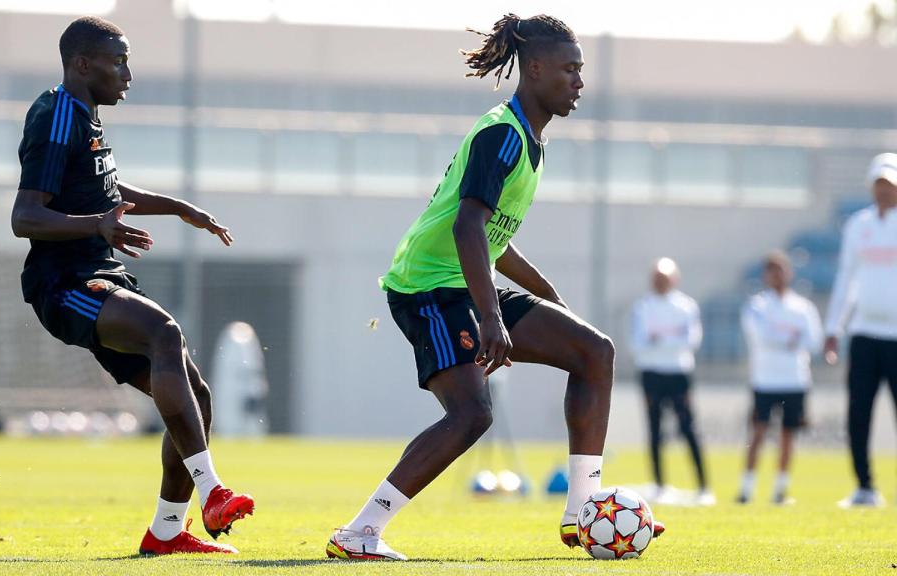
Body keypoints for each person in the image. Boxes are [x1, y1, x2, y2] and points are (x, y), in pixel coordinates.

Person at [325, 13, 662, 561]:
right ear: (533, 69)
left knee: (593, 351)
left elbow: (493, 241)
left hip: (465, 283)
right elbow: (466, 227)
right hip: (427, 289)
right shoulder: (503, 135)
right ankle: (360, 532)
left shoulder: (530, 141)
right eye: (569, 69)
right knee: (472, 414)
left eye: (581, 70)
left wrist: (546, 295)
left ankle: (581, 513)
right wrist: (491, 319)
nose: (579, 81)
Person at [10, 16, 254, 555]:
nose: (128, 73)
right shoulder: (55, 116)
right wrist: (96, 226)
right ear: (82, 64)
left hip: (99, 273)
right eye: (118, 61)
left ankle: (166, 532)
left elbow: (103, 186)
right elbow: (25, 217)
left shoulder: (83, 116)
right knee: (164, 332)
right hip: (62, 282)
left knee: (198, 398)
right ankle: (213, 491)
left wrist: (178, 208)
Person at [824, 152, 897, 508]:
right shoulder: (858, 225)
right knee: (858, 413)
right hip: (864, 334)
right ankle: (865, 486)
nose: (885, 191)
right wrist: (833, 327)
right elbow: (845, 279)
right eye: (880, 184)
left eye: (891, 185)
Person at [737, 251, 823, 505]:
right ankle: (746, 489)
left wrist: (784, 340)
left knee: (788, 435)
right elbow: (760, 337)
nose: (776, 275)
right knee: (758, 433)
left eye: (780, 269)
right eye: (771, 270)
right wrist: (791, 340)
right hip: (765, 380)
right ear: (765, 275)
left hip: (795, 380)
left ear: (789, 273)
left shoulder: (802, 307)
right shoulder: (757, 305)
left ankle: (780, 490)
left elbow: (814, 341)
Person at [629, 258, 712, 505]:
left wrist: (659, 340)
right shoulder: (642, 307)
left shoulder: (686, 307)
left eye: (664, 278)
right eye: (656, 278)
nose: (660, 283)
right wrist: (669, 339)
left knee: (688, 428)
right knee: (655, 429)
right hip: (651, 373)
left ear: (674, 279)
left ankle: (703, 487)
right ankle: (659, 484)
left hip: (679, 372)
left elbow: (691, 341)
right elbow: (637, 343)